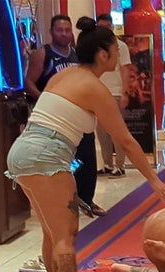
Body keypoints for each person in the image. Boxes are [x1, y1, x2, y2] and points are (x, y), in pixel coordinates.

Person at [5, 18, 165, 272]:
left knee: (52, 233)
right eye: (114, 49)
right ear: (102, 55)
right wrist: (154, 180)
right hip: (46, 155)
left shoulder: (68, 73)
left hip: (25, 152)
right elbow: (126, 140)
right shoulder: (93, 87)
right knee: (64, 236)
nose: (118, 54)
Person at [24, 15, 105, 216]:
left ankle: (87, 200)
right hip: (56, 119)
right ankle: (61, 202)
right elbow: (29, 83)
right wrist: (44, 98)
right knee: (59, 161)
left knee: (87, 157)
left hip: (78, 115)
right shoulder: (44, 54)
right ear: (52, 32)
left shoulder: (77, 55)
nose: (64, 34)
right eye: (60, 30)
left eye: (67, 30)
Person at [94, 13, 132, 179]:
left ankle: (121, 165)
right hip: (97, 93)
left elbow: (125, 69)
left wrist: (124, 92)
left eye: (107, 26)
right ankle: (108, 164)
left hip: (115, 93)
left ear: (111, 27)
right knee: (101, 132)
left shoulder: (120, 46)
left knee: (117, 131)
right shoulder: (95, 47)